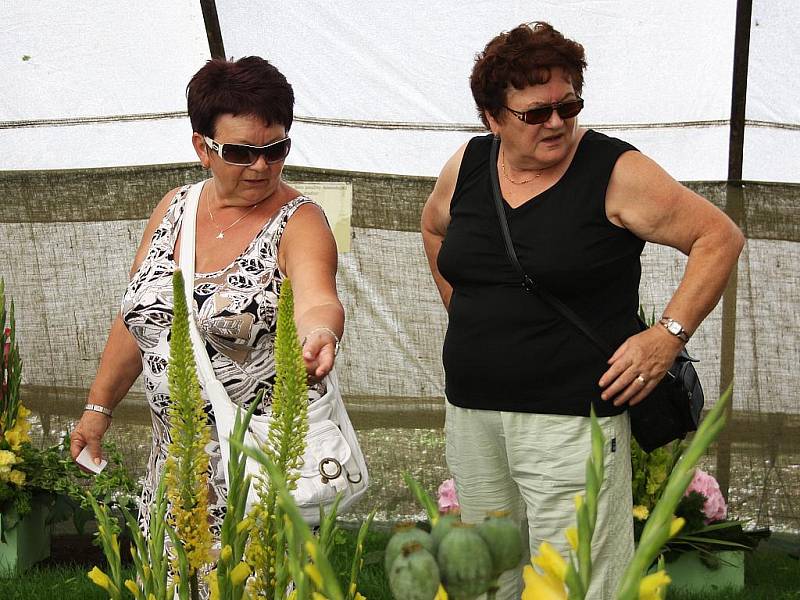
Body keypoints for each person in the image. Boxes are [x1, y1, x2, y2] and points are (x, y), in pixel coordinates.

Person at [421, 22, 744, 600]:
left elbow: (718, 238)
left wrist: (665, 337)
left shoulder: (615, 171)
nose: (557, 122)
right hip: (472, 411)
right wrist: (464, 310)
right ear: (491, 118)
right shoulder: (468, 164)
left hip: (571, 420)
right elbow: (433, 227)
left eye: (568, 105)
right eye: (535, 113)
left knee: (575, 580)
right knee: (487, 574)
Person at [69, 56, 343, 554]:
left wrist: (320, 331)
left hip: (260, 470)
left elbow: (317, 295)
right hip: (174, 467)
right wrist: (97, 409)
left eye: (275, 148)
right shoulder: (174, 207)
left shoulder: (300, 221)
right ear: (203, 147)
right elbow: (140, 320)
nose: (262, 166)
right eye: (241, 152)